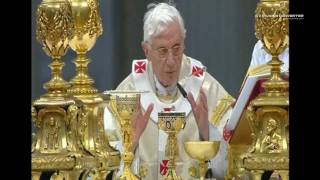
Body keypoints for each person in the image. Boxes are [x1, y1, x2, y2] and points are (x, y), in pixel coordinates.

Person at [104, 2, 234, 179]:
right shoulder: (128, 94)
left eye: (176, 48)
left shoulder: (206, 89)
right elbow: (103, 167)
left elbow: (236, 162)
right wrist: (131, 144)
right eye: (163, 51)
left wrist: (208, 132)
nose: (172, 61)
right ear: (146, 50)